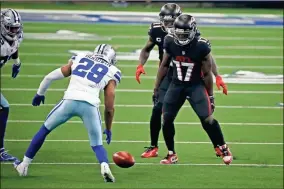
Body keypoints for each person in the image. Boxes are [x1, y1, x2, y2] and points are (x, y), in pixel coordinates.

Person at [14, 44, 121, 182]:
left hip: (69, 101)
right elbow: (109, 106)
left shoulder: (80, 57)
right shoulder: (111, 70)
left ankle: (24, 165)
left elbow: (49, 77)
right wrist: (108, 128)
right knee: (97, 145)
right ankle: (105, 166)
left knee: (44, 130)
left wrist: (40, 93)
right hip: (90, 105)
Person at [136, 3, 226, 158]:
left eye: (172, 22)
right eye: (166, 21)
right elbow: (147, 49)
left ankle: (219, 146)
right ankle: (154, 146)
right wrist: (140, 65)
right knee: (158, 109)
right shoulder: (159, 31)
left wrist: (217, 75)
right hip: (168, 75)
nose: (168, 25)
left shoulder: (190, 33)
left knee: (204, 115)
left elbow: (207, 59)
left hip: (189, 76)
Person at [154, 14, 233, 165]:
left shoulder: (201, 45)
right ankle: (171, 154)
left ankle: (223, 147)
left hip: (195, 85)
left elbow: (207, 72)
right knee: (167, 119)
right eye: (179, 33)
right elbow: (164, 65)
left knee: (207, 119)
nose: (182, 37)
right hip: (176, 85)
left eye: (185, 34)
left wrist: (210, 96)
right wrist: (156, 88)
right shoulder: (170, 40)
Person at [0, 8, 23, 162]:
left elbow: (13, 47)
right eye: (11, 28)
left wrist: (16, 61)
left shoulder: (15, 37)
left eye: (16, 28)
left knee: (4, 107)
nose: (14, 31)